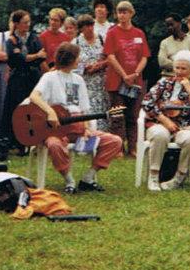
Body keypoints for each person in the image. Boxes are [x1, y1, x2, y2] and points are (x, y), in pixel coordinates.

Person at [26, 43, 123, 194]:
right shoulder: (49, 77)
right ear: (70, 59)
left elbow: (83, 109)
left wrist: (85, 129)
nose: (80, 60)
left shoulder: (78, 79)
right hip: (56, 129)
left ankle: (88, 178)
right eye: (77, 57)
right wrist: (50, 111)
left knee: (114, 141)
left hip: (77, 128)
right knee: (54, 145)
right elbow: (34, 96)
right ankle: (68, 179)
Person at [141, 51, 190, 190]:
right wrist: (164, 119)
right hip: (160, 123)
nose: (179, 71)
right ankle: (153, 176)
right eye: (177, 68)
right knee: (159, 135)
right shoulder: (163, 83)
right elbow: (147, 102)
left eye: (184, 69)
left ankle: (178, 178)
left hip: (183, 127)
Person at [104, 0, 150, 156]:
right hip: (116, 81)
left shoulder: (139, 33)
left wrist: (135, 74)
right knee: (117, 115)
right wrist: (124, 75)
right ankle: (117, 148)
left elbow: (145, 56)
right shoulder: (112, 32)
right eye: (119, 12)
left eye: (125, 12)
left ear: (131, 13)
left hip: (135, 82)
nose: (121, 15)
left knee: (133, 115)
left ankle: (133, 147)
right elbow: (110, 56)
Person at [1, 10, 46, 150]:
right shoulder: (11, 40)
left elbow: (42, 56)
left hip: (33, 78)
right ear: (16, 24)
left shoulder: (34, 38)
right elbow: (16, 60)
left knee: (33, 108)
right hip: (18, 79)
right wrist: (34, 56)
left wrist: (28, 57)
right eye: (24, 22)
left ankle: (35, 139)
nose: (27, 25)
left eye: (28, 22)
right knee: (17, 109)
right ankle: (17, 141)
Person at [73, 15, 109, 116]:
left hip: (101, 85)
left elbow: (110, 58)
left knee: (103, 114)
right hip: (83, 85)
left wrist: (100, 65)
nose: (90, 28)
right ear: (81, 29)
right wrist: (83, 68)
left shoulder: (102, 39)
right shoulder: (75, 43)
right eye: (87, 26)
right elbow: (70, 66)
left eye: (92, 25)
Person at [38, 8, 73, 75]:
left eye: (56, 20)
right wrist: (49, 73)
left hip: (63, 71)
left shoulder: (66, 38)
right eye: (51, 19)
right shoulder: (42, 36)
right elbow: (41, 59)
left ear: (61, 23)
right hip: (47, 71)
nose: (53, 22)